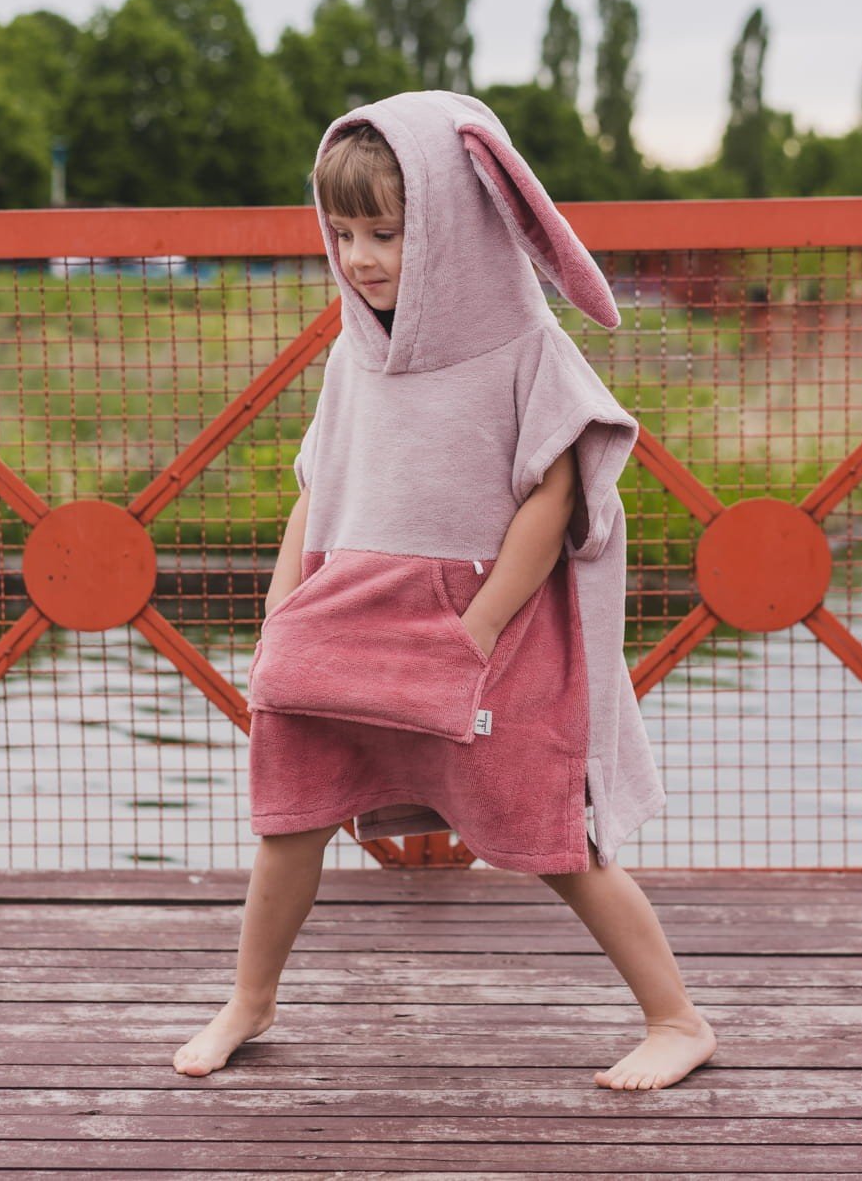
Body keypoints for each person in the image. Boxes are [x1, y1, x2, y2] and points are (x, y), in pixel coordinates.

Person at [173, 91, 716, 1090]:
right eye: (343, 234)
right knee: (289, 809)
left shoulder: (522, 346)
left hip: (480, 625)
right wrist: (281, 612)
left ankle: (676, 1018)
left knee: (552, 832)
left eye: (388, 231)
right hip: (345, 608)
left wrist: (479, 626)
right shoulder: (354, 351)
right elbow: (317, 486)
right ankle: (250, 1000)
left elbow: (554, 494)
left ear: (458, 231)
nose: (363, 257)